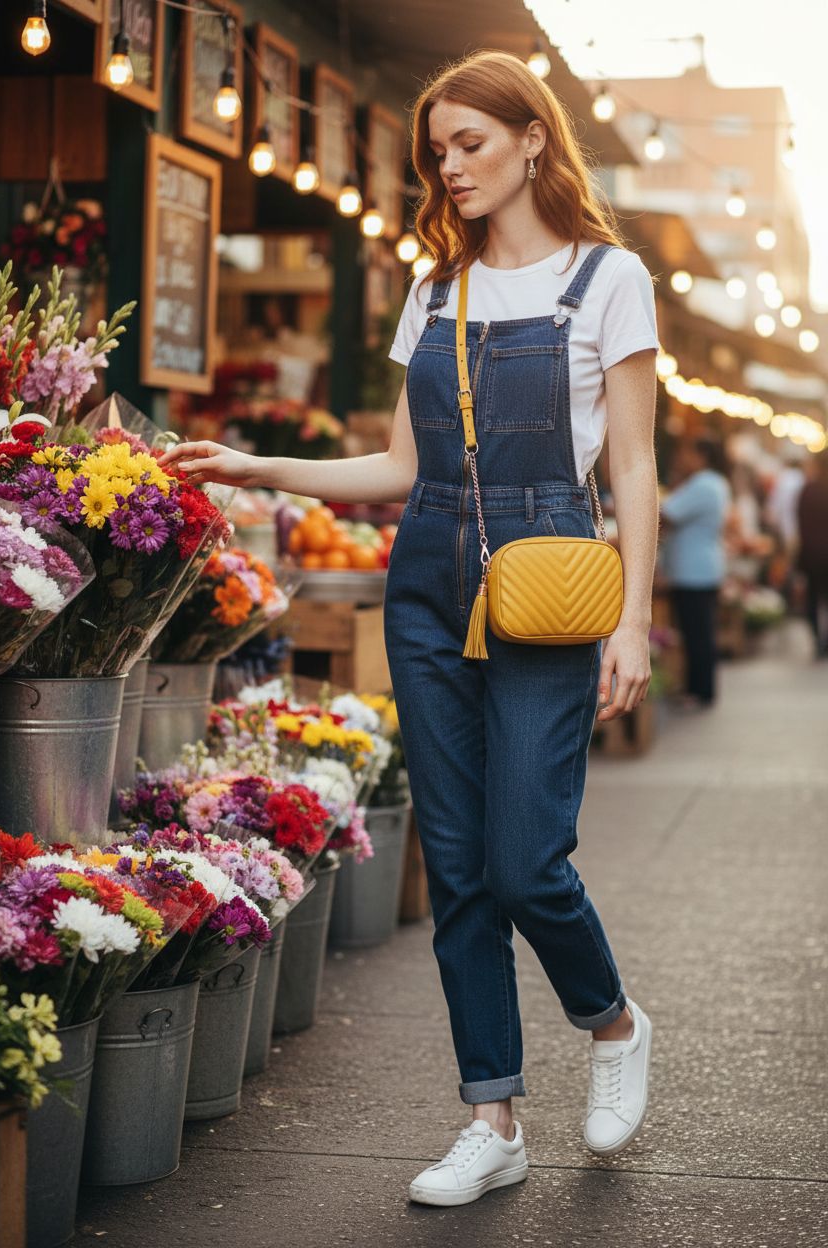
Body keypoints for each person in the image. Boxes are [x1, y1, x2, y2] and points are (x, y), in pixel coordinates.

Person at [158, 50, 660, 1208]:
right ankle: (492, 1115)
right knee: (462, 863)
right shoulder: (437, 289)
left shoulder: (611, 277)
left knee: (530, 861)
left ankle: (615, 1021)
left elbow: (631, 464)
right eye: (438, 150)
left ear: (534, 138)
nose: (451, 166)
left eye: (470, 143)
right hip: (428, 577)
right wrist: (253, 464)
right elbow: (401, 464)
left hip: (547, 579)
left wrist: (632, 619)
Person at [660, 437, 732, 706]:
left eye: (687, 451)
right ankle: (697, 687)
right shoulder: (715, 483)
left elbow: (665, 512)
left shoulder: (703, 485)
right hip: (701, 568)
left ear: (702, 456)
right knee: (697, 633)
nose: (682, 457)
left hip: (694, 571)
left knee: (697, 634)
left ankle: (700, 691)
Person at [796, 452, 828, 657]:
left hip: (812, 553)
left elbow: (799, 521)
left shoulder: (808, 489)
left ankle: (818, 639)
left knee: (813, 599)